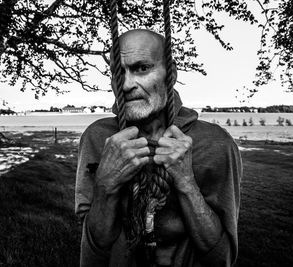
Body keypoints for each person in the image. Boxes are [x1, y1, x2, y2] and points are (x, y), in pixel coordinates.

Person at [75, 29, 242, 267]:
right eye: (118, 73)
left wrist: (186, 182)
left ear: (170, 74)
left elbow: (221, 258)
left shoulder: (215, 143)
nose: (126, 84)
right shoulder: (98, 138)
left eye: (142, 68)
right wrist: (105, 185)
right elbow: (92, 256)